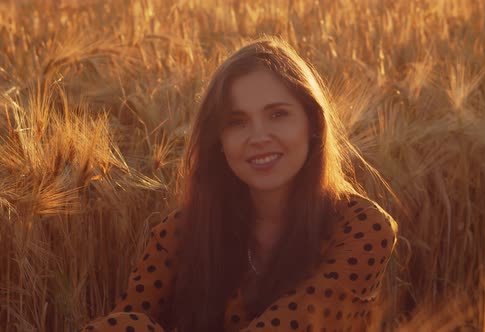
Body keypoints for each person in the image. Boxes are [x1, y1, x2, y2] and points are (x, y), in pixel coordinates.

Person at [80, 36, 398, 332]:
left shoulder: (363, 226)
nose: (258, 137)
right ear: (218, 140)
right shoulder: (180, 233)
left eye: (277, 115)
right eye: (237, 122)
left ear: (313, 124)